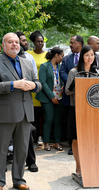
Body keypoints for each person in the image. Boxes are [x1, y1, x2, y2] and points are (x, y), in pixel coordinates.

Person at [0, 32, 41, 190]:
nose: (14, 45)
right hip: (5, 114)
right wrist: (13, 84)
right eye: (10, 42)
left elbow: (38, 83)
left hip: (25, 113)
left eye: (16, 42)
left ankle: (19, 180)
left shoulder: (27, 61)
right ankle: (0, 182)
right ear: (3, 45)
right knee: (1, 149)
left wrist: (34, 86)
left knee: (22, 149)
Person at [65, 45, 99, 178]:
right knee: (76, 140)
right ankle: (78, 166)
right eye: (87, 55)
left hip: (92, 111)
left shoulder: (97, 72)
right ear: (82, 57)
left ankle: (89, 165)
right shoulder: (74, 71)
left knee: (90, 139)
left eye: (92, 55)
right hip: (76, 109)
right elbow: (67, 90)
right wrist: (77, 84)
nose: (90, 58)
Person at [15, 31, 38, 172]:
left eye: (24, 40)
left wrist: (33, 85)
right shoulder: (3, 60)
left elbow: (35, 79)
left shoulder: (28, 58)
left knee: (27, 135)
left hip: (25, 101)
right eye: (21, 41)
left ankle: (31, 162)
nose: (24, 43)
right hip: (9, 104)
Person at [36, 47, 64, 151]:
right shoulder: (44, 66)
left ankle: (57, 142)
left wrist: (63, 87)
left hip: (59, 96)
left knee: (58, 121)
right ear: (56, 55)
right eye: (61, 56)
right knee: (48, 119)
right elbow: (42, 83)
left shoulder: (60, 67)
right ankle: (46, 142)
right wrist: (52, 97)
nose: (62, 58)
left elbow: (61, 79)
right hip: (47, 98)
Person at [60, 35, 84, 155]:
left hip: (85, 98)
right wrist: (72, 83)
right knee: (71, 121)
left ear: (79, 43)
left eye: (72, 42)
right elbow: (62, 72)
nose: (70, 45)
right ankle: (72, 146)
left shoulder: (88, 57)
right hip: (70, 95)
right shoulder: (66, 59)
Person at [28, 30, 48, 146]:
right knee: (34, 114)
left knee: (43, 115)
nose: (40, 43)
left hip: (44, 87)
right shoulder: (29, 54)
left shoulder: (47, 55)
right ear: (34, 42)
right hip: (33, 87)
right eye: (38, 41)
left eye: (42, 41)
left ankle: (41, 136)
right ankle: (33, 138)